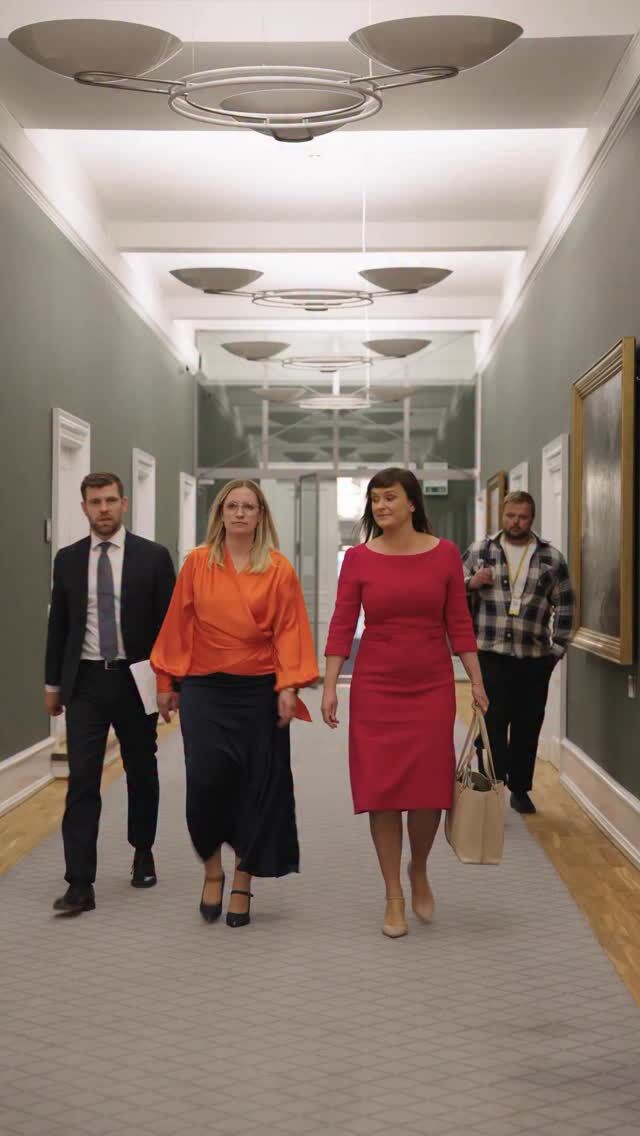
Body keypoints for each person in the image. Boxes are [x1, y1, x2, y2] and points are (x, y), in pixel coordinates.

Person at [321, 468, 488, 939]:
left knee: (429, 789)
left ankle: (419, 867)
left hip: (431, 684)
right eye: (375, 499)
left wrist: (476, 680)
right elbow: (341, 624)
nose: (381, 506)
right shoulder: (358, 559)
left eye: (390, 497)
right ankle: (393, 892)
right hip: (376, 685)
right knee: (382, 790)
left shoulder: (445, 554)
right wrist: (331, 685)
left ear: (412, 503)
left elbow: (459, 622)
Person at [150, 479, 318, 928]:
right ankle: (212, 871)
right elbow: (178, 625)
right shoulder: (197, 563)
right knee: (206, 782)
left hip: (258, 691)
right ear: (221, 514)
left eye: (249, 507)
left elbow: (289, 630)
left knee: (254, 787)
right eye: (233, 506)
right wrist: (165, 679)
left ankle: (243, 879)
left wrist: (289, 686)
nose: (240, 513)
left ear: (260, 516)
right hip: (205, 689)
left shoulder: (278, 568)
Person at [45, 472, 176, 915]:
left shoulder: (153, 557)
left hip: (136, 678)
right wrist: (52, 685)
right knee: (82, 777)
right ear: (84, 507)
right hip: (85, 682)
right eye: (95, 501)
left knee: (142, 769)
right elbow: (59, 626)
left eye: (110, 500)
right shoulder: (67, 560)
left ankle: (143, 851)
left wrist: (169, 684)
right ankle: (80, 882)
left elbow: (170, 628)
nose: (103, 508)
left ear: (124, 504)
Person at [462, 490, 575, 815]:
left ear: (532, 519)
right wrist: (471, 582)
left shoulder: (551, 558)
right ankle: (492, 786)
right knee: (492, 724)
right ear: (503, 515)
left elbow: (566, 606)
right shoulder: (480, 551)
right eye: (511, 516)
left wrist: (556, 651)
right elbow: (451, 589)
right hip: (490, 655)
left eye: (522, 517)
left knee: (527, 725)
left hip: (534, 658)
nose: (516, 522)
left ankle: (520, 789)